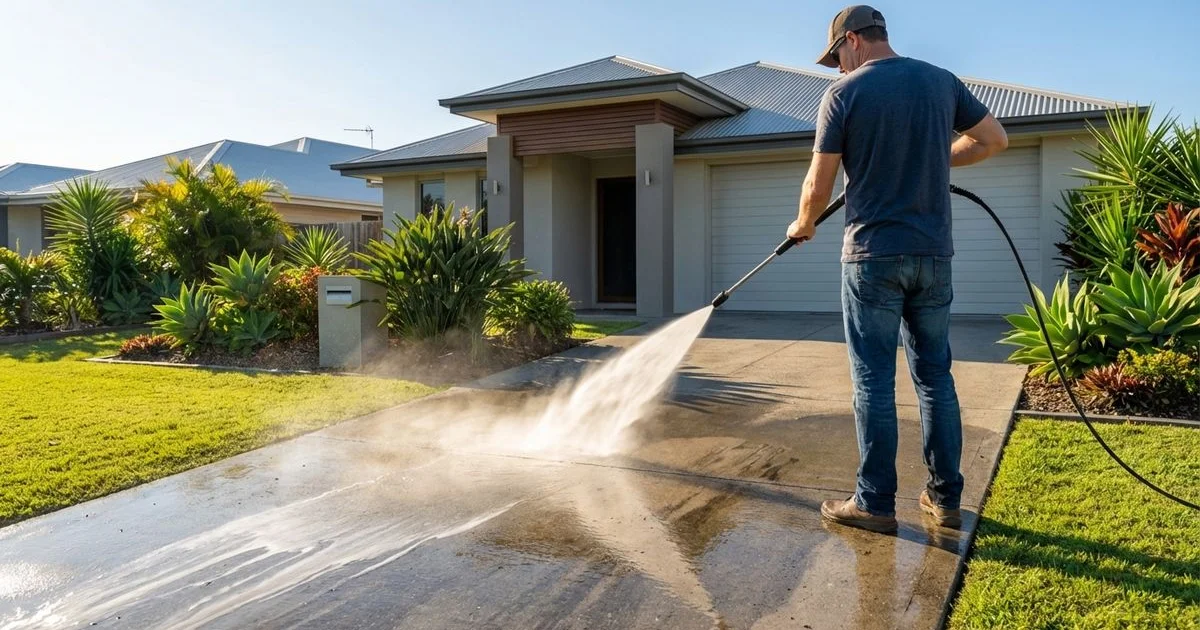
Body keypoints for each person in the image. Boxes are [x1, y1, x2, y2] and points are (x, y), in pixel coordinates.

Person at [787, 5, 1009, 533]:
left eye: (837, 55)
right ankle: (945, 499)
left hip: (872, 259)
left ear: (854, 42)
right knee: (935, 377)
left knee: (873, 382)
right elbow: (994, 139)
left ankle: (873, 503)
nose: (837, 67)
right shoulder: (941, 82)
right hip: (934, 257)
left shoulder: (845, 93)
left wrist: (803, 224)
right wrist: (933, 156)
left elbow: (819, 184)